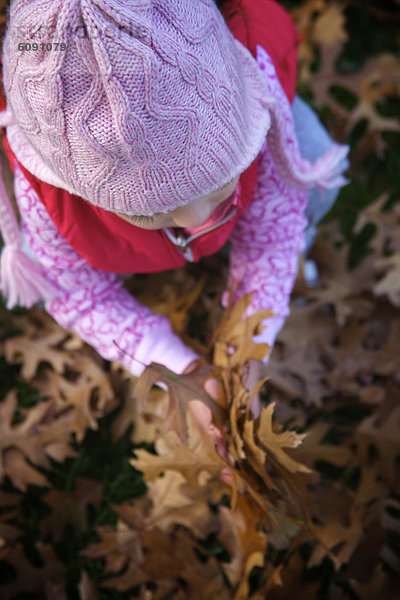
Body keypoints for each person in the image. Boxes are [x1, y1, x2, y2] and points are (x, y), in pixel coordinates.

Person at [0, 0, 348, 431]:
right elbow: (79, 294)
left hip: (236, 111)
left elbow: (270, 238)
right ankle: (139, 245)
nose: (197, 218)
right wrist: (181, 372)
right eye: (152, 211)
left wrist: (250, 343)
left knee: (309, 168)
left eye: (219, 184)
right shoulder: (50, 202)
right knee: (58, 261)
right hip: (101, 232)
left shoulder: (253, 106)